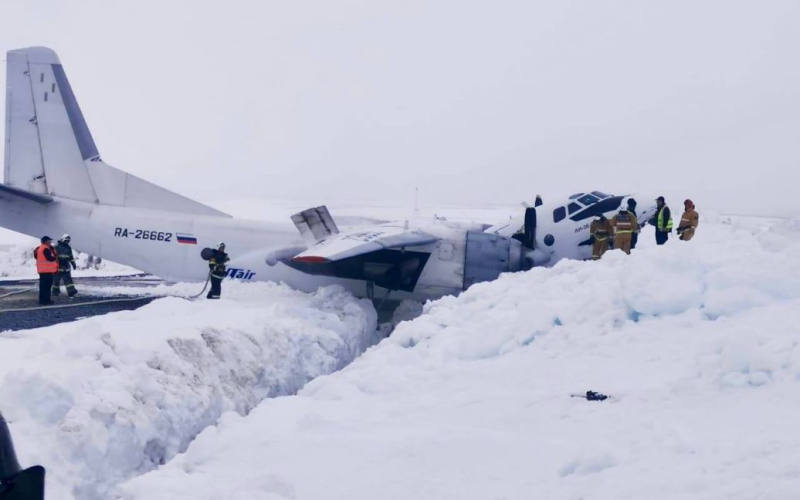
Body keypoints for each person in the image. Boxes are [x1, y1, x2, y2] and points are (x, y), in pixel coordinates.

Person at [33, 236, 58, 305]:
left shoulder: (40, 248)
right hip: (47, 271)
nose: (50, 242)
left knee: (43, 287)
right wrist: (55, 257)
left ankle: (43, 301)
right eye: (49, 240)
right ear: (46, 241)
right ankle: (46, 301)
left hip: (43, 271)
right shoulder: (45, 249)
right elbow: (49, 258)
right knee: (46, 287)